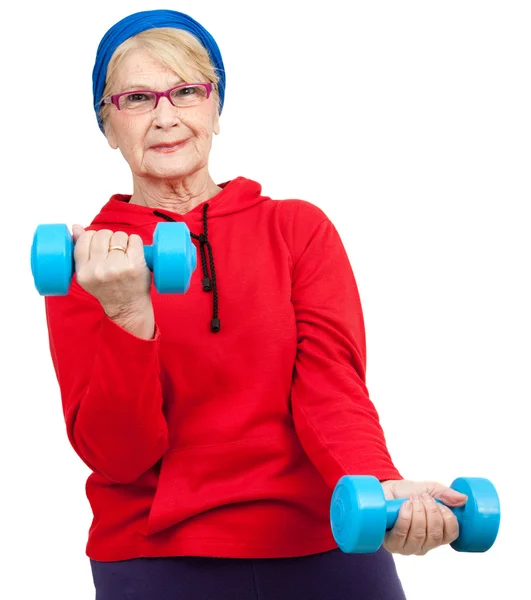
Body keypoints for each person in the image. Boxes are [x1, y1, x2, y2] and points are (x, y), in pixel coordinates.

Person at [43, 9, 468, 600]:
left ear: (216, 108)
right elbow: (119, 458)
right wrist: (126, 316)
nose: (166, 116)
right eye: (137, 99)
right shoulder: (89, 261)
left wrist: (375, 484)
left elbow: (331, 388)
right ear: (108, 125)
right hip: (155, 557)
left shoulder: (297, 229)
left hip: (323, 538)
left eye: (187, 91)